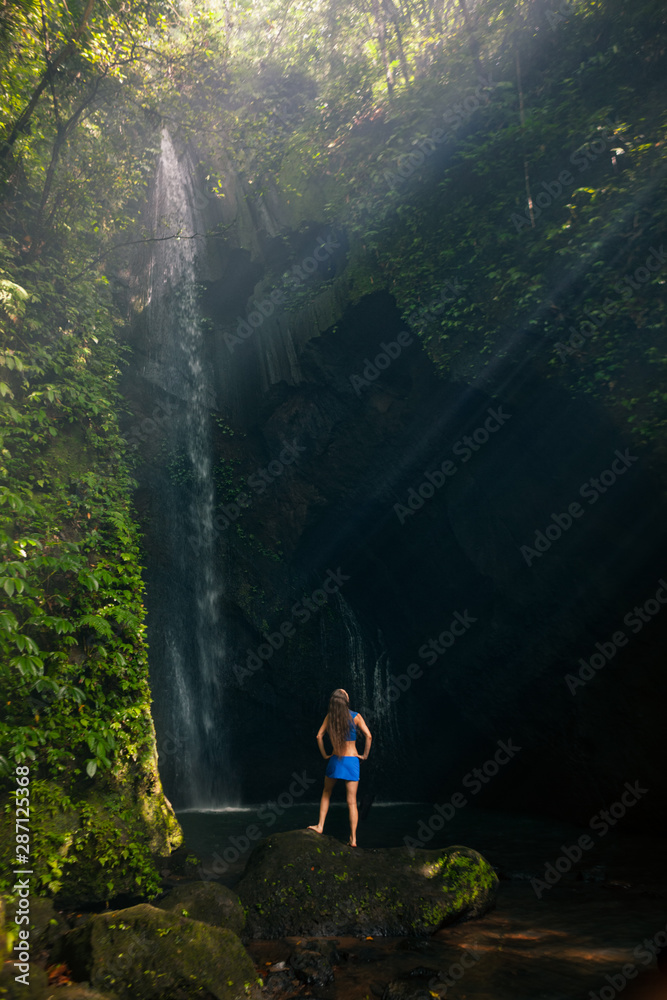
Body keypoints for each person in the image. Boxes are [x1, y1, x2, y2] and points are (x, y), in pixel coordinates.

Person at [307, 687, 372, 847]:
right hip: (352, 761)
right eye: (344, 692)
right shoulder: (356, 716)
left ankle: (320, 826)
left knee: (326, 793)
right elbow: (369, 736)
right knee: (351, 802)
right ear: (345, 700)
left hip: (336, 760)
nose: (346, 691)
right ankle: (353, 839)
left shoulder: (330, 717)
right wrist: (364, 756)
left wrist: (324, 755)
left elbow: (319, 736)